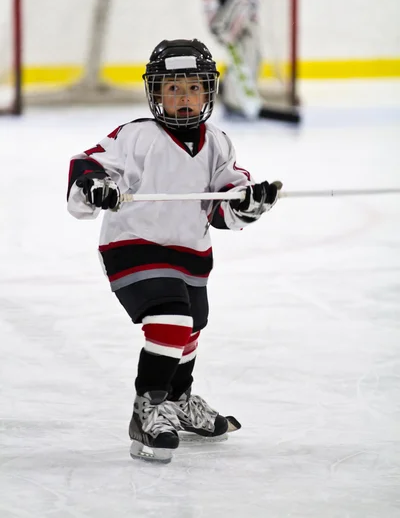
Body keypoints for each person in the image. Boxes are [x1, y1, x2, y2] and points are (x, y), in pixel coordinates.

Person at [67, 38, 280, 463]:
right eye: (173, 89)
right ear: (155, 93)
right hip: (132, 246)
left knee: (192, 323)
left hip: (191, 253)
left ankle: (179, 400)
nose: (184, 99)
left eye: (193, 89)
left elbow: (225, 200)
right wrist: (96, 187)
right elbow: (87, 165)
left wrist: (247, 201)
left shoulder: (217, 142)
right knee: (171, 317)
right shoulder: (135, 136)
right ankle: (148, 407)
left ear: (208, 92)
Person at [204, 0, 299, 123]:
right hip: (238, 16)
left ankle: (235, 100)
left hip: (244, 14)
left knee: (251, 57)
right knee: (246, 57)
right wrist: (230, 20)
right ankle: (236, 103)